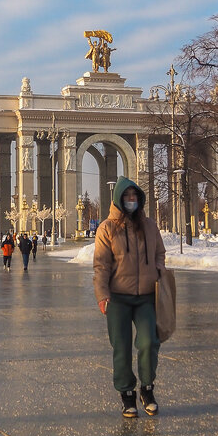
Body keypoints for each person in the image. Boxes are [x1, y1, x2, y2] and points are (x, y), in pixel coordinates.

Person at [93, 176, 166, 418]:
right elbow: (101, 265)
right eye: (127, 196)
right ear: (118, 199)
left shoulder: (150, 226)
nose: (131, 200)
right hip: (118, 298)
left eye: (134, 196)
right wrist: (102, 294)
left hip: (146, 296)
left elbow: (160, 252)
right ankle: (126, 394)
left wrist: (158, 272)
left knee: (149, 342)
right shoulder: (107, 228)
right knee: (121, 348)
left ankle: (147, 387)